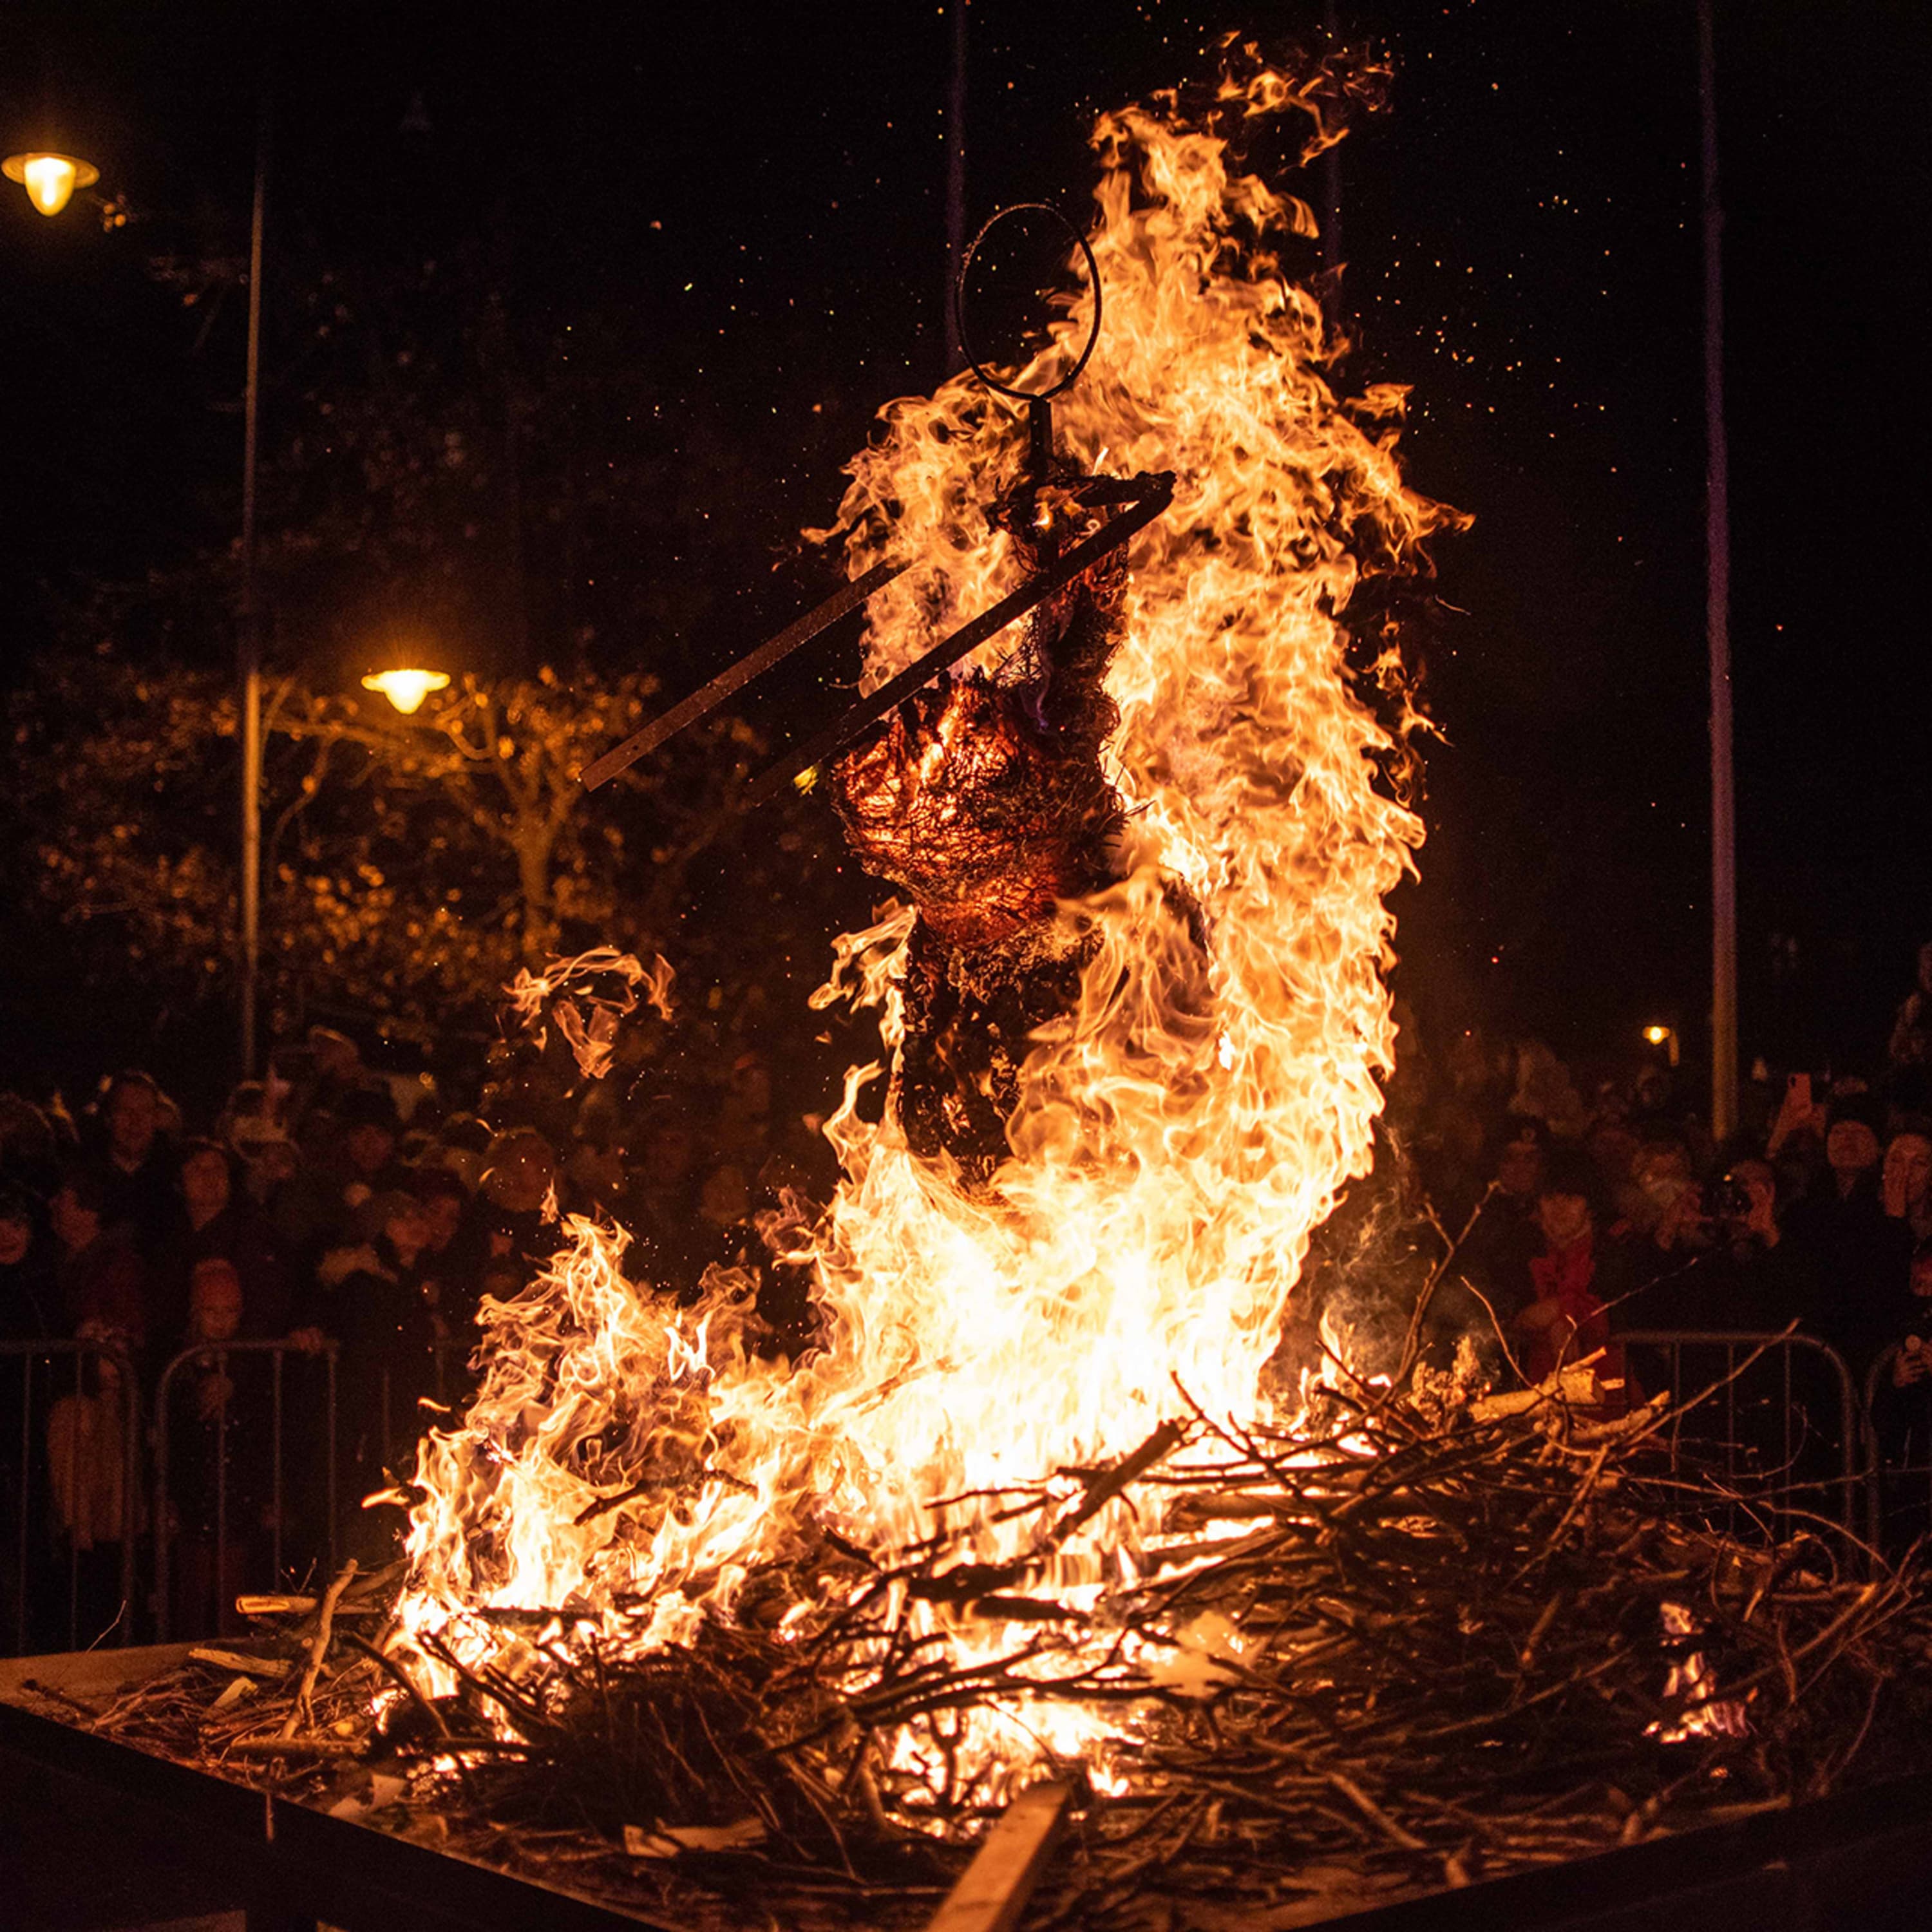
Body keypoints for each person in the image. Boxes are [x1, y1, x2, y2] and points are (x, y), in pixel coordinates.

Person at [164, 1258, 269, 1638]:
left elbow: (262, 1428)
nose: (222, 1321)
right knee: (192, 1590)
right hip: (194, 1493)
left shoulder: (251, 1360)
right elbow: (170, 1431)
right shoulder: (177, 1365)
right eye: (211, 1311)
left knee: (234, 1592)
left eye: (230, 1311)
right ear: (195, 1312)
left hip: (237, 1495)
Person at [49, 1168, 147, 1350]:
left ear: (88, 1212)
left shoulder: (118, 1267)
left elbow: (128, 1329)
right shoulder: (59, 1259)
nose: (52, 1203)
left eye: (62, 1199)